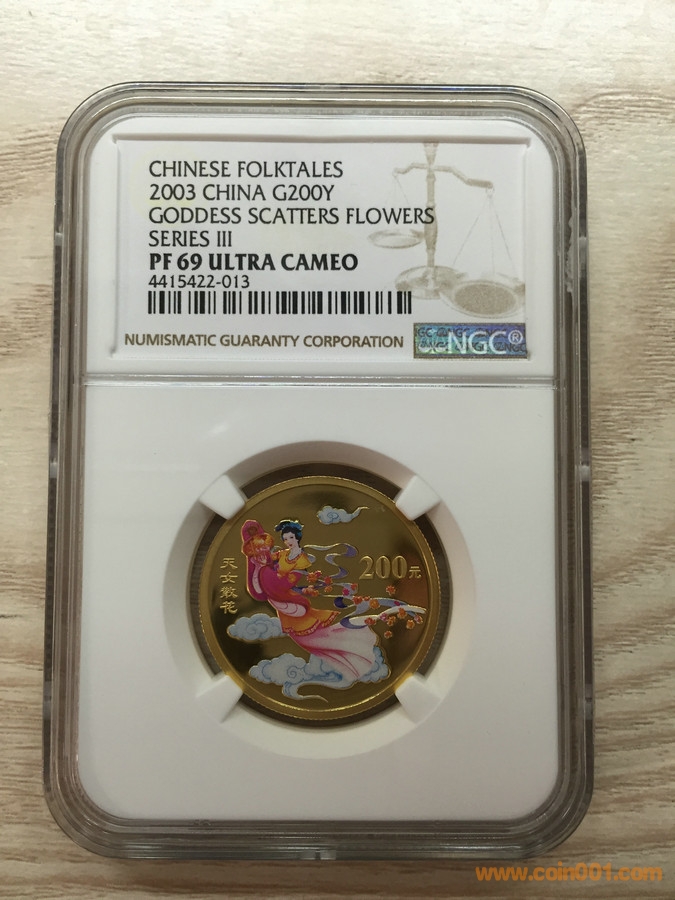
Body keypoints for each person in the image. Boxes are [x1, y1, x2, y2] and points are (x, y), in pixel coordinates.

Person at [240, 518, 381, 683]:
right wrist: (258, 561)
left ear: (297, 538)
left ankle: (351, 657)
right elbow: (267, 561)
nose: (288, 541)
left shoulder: (302, 560)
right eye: (285, 539)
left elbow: (289, 581)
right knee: (304, 638)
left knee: (310, 636)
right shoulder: (282, 554)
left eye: (291, 538)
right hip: (282, 601)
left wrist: (274, 576)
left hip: (288, 599)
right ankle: (342, 663)